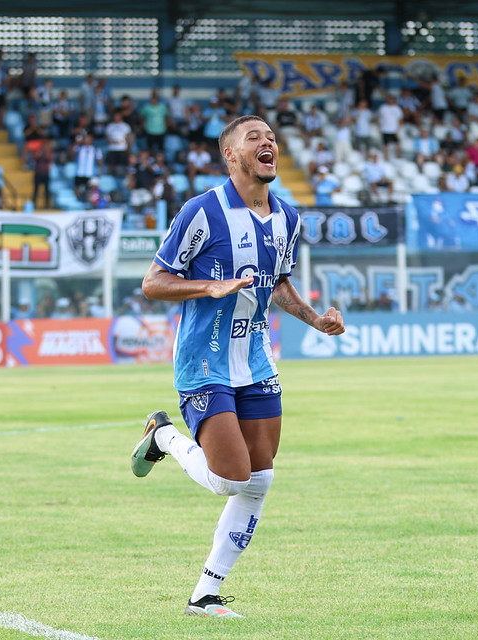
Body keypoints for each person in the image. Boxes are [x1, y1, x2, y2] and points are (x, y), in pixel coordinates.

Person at [130, 115, 345, 618]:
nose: (268, 142)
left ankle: (205, 593)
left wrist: (314, 318)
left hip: (256, 360)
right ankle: (161, 436)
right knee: (230, 478)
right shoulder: (202, 212)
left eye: (271, 137)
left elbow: (279, 281)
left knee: (259, 480)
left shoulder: (288, 218)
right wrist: (209, 286)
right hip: (205, 363)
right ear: (232, 155)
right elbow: (154, 282)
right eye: (255, 138)